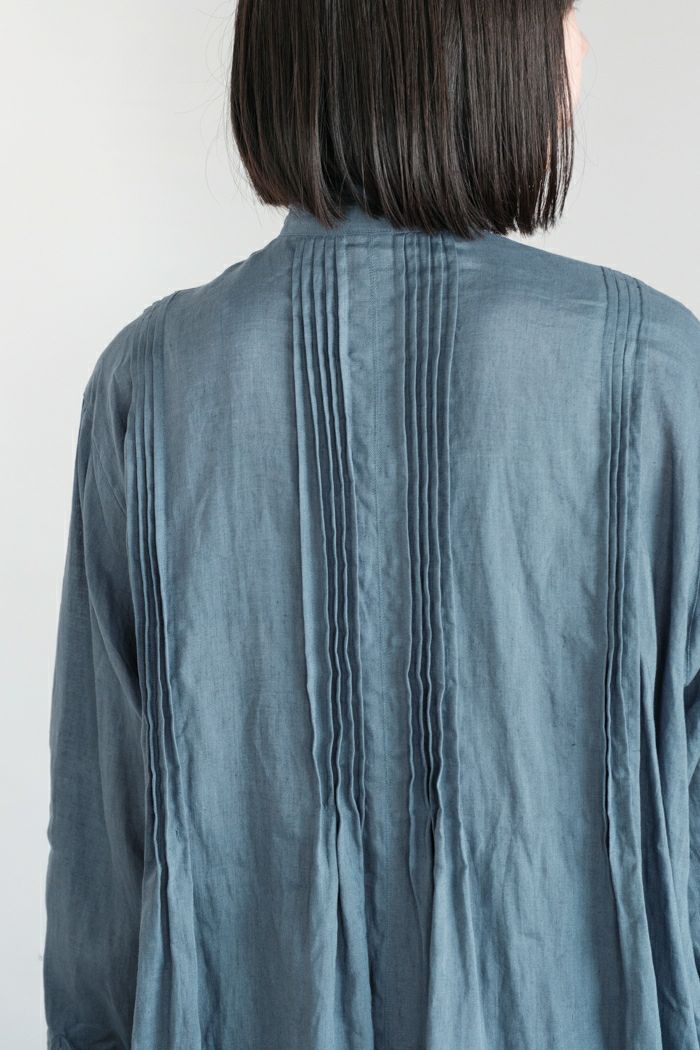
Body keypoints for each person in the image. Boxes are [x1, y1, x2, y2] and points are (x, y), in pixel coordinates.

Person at [43, 2, 700, 1048]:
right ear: (480, 39)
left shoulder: (150, 387)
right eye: (567, 8)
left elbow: (101, 872)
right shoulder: (658, 376)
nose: (580, 43)